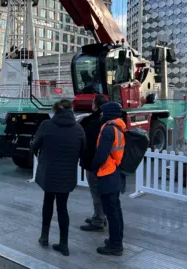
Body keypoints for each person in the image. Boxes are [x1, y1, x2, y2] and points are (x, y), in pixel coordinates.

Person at [31, 99, 86, 256]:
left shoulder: (46, 126)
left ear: (55, 111)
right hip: (67, 175)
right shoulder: (78, 129)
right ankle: (64, 244)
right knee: (62, 207)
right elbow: (84, 151)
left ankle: (44, 237)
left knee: (47, 202)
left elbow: (35, 145)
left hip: (48, 173)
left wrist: (40, 156)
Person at [91, 102, 126, 256]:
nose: (101, 115)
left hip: (107, 173)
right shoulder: (119, 127)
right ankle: (116, 239)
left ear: (109, 114)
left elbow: (101, 154)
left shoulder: (108, 130)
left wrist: (94, 166)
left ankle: (115, 245)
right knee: (116, 210)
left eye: (103, 112)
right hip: (115, 172)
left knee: (111, 211)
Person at [79, 94, 108, 232]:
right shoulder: (107, 121)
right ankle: (101, 215)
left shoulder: (92, 123)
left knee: (96, 191)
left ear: (95, 105)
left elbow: (88, 145)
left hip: (93, 163)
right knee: (101, 191)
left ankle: (98, 220)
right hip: (105, 163)